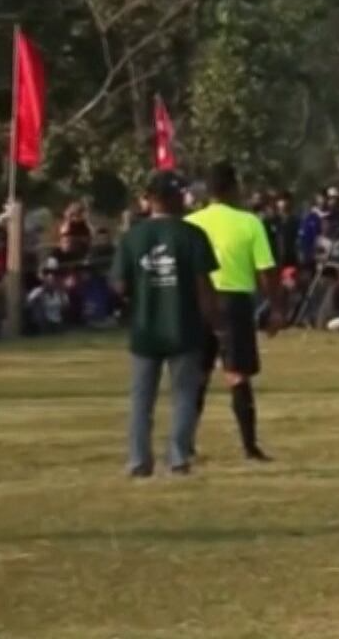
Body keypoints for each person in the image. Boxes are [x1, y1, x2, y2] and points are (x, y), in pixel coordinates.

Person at [119, 170, 220, 478]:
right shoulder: (192, 235)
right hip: (184, 327)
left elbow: (119, 286)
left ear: (150, 200)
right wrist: (212, 321)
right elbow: (204, 286)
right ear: (177, 199)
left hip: (145, 328)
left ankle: (138, 460)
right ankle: (177, 457)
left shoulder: (133, 237)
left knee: (141, 400)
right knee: (184, 396)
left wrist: (142, 294)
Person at [187, 162, 280, 463]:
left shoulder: (191, 223)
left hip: (199, 302)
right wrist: (275, 308)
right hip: (234, 301)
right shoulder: (249, 222)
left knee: (197, 375)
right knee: (237, 375)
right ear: (233, 188)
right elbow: (266, 270)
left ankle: (184, 443)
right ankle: (249, 446)